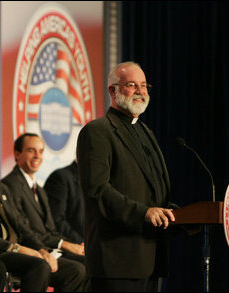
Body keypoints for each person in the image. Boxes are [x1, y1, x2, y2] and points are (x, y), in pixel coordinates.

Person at [76, 61, 179, 292]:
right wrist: (144, 213)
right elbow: (97, 190)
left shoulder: (146, 132)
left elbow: (153, 191)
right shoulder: (97, 131)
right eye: (132, 85)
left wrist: (177, 217)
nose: (141, 92)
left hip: (149, 259)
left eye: (144, 85)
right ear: (113, 90)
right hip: (116, 261)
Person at [0, 135, 87, 291]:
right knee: (40, 266)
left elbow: (22, 226)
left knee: (76, 270)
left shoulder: (0, 188)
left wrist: (40, 250)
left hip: (19, 248)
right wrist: (18, 248)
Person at [2, 133, 87, 264]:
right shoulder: (9, 185)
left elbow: (51, 229)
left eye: (41, 151)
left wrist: (71, 245)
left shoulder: (39, 190)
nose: (37, 156)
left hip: (50, 248)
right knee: (81, 268)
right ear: (17, 154)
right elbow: (24, 229)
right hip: (31, 251)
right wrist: (63, 244)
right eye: (31, 151)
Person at [43, 160, 85, 244]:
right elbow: (56, 220)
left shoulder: (99, 180)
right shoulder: (60, 177)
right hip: (72, 245)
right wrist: (82, 243)